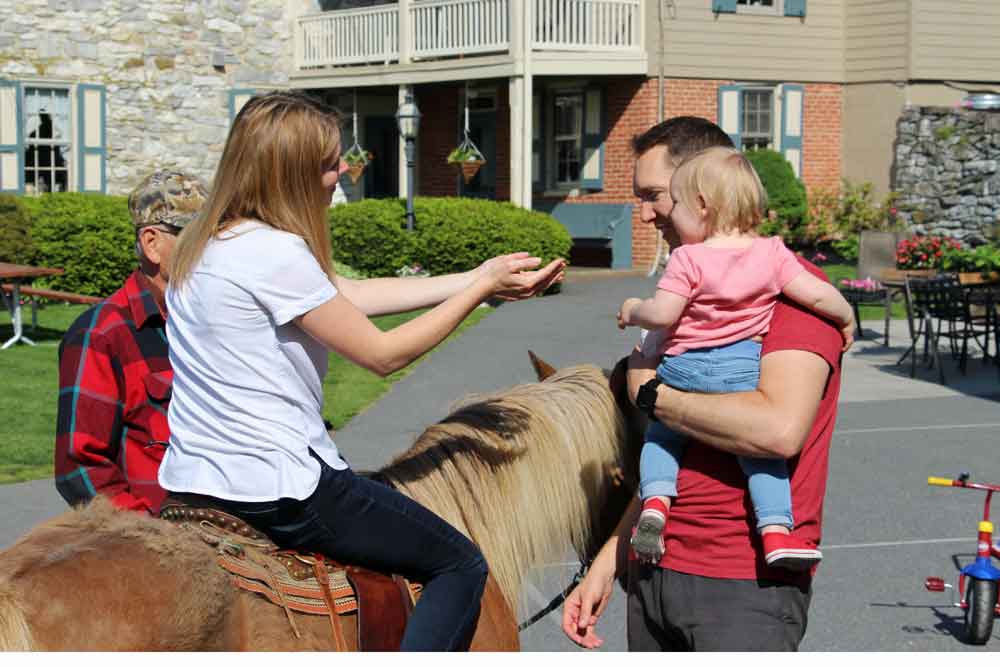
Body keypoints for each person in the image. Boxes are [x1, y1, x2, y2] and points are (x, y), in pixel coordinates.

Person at [157, 91, 565, 652]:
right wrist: (478, 292)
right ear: (290, 173)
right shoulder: (273, 252)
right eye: (329, 163)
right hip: (280, 488)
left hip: (197, 481)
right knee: (460, 563)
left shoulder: (205, 246)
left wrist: (478, 274)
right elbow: (382, 355)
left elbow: (346, 294)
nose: (341, 172)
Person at [561, 116, 844, 651]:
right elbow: (665, 446)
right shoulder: (688, 294)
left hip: (743, 584)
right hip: (655, 569)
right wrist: (607, 560)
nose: (644, 215)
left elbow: (777, 432)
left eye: (655, 196)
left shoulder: (791, 292)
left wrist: (650, 393)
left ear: (704, 194)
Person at [616, 146, 854, 569]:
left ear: (703, 205)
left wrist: (634, 309)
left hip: (683, 366)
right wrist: (846, 317)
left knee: (662, 437)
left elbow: (663, 317)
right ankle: (777, 530)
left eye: (677, 206)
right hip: (740, 368)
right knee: (760, 458)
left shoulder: (687, 258)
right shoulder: (772, 255)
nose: (669, 217)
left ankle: (655, 503)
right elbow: (817, 294)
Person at [54, 170, 208, 514]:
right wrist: (152, 541)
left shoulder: (215, 320)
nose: (210, 249)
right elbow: (81, 469)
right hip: (155, 546)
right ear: (151, 243)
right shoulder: (101, 335)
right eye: (198, 236)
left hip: (232, 533)